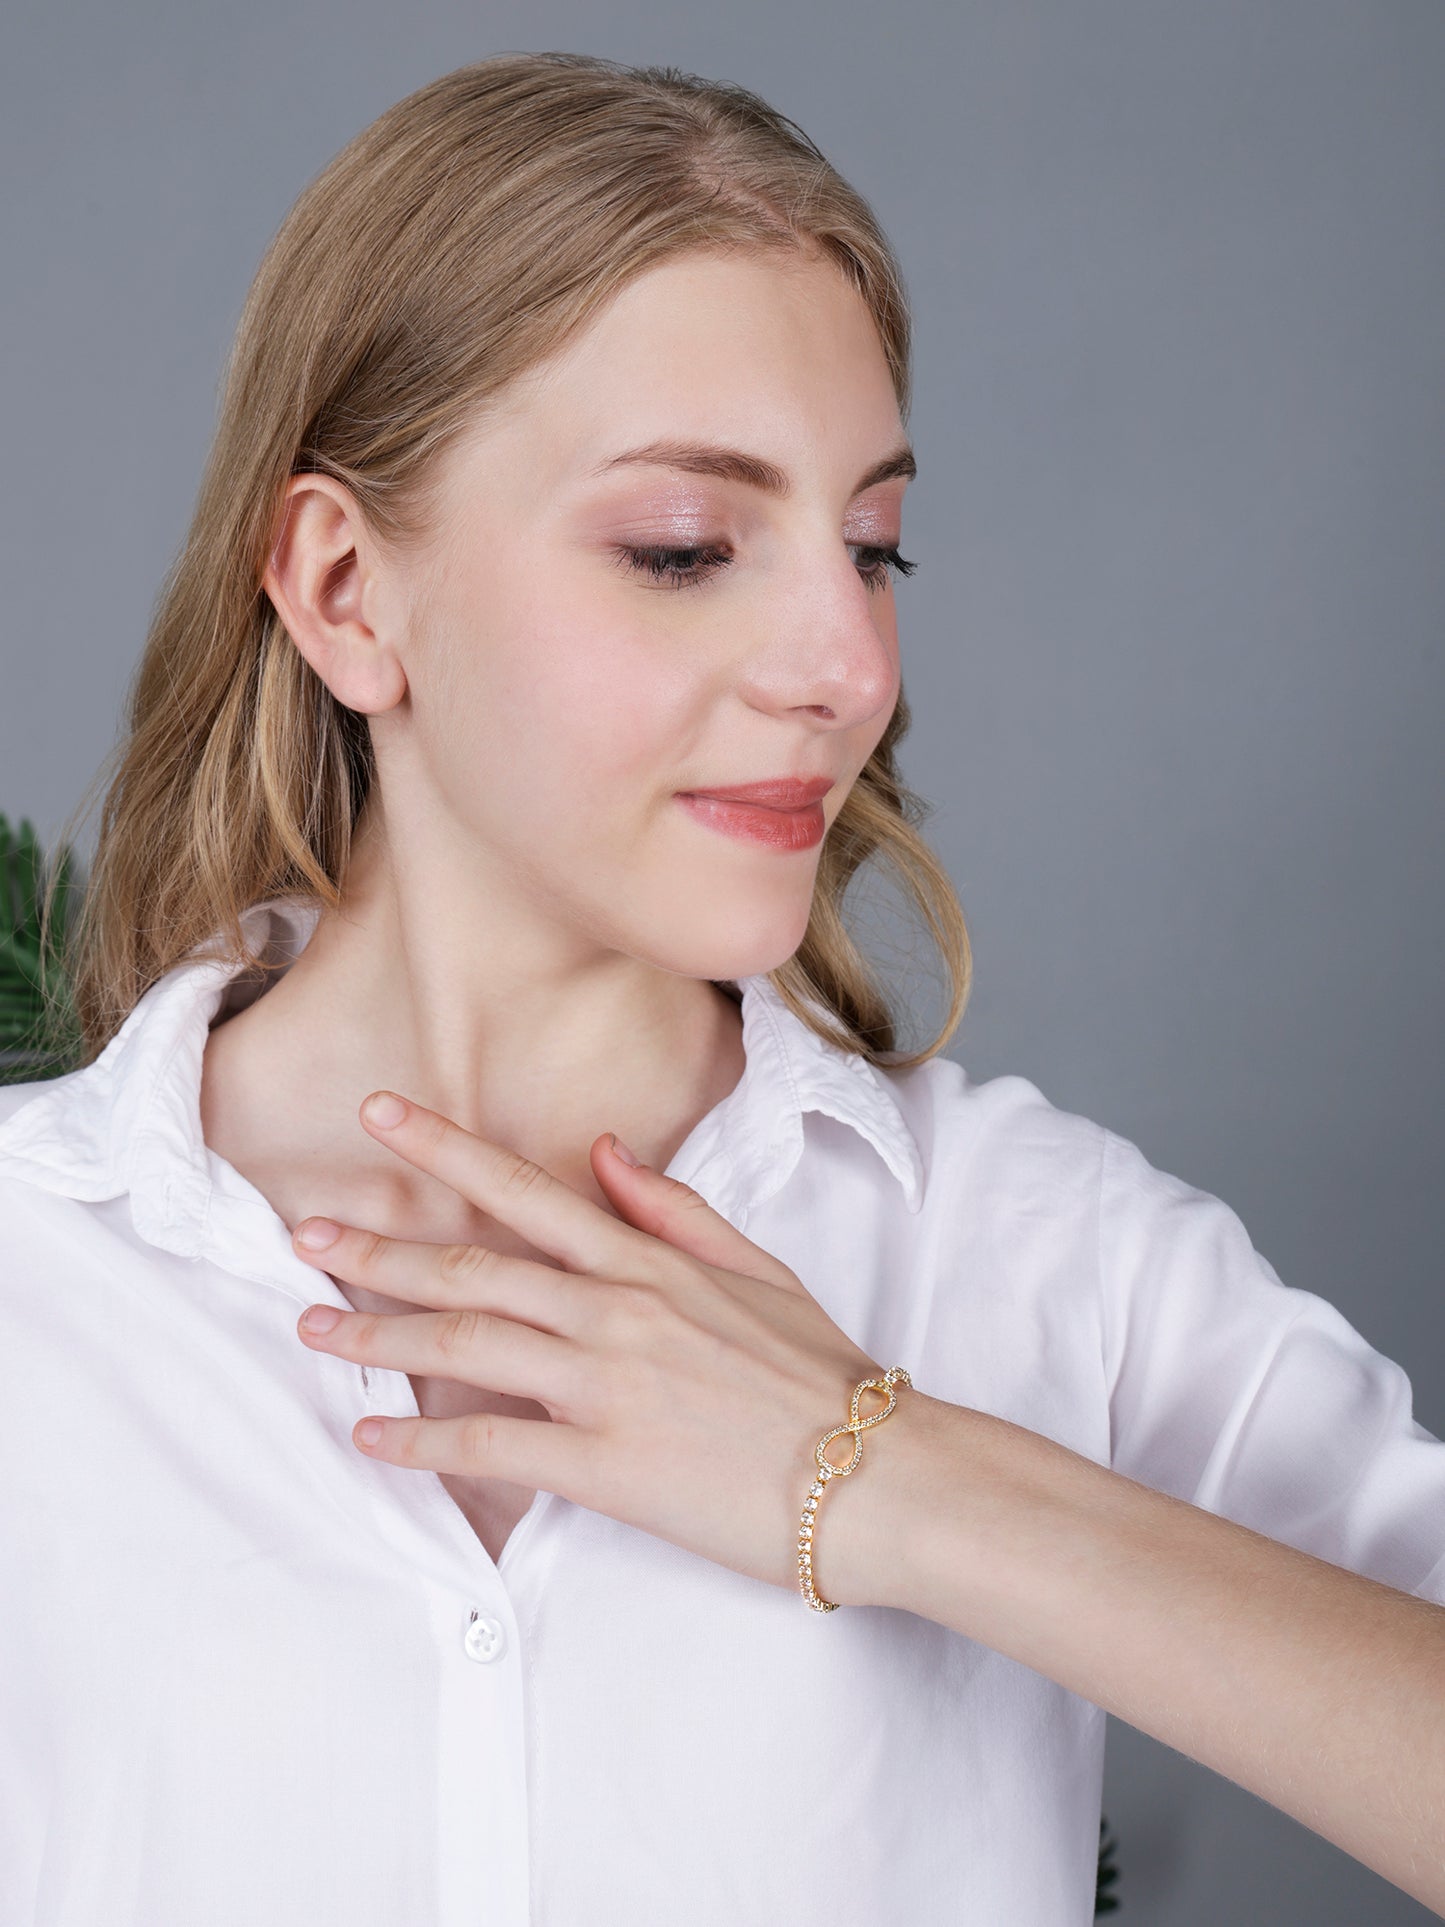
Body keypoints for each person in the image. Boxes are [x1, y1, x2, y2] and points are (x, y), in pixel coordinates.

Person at [1, 50, 1442, 1927]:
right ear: (347, 591)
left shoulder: (1042, 1257)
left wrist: (892, 1477)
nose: (848, 663)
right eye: (685, 548)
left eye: (870, 544)